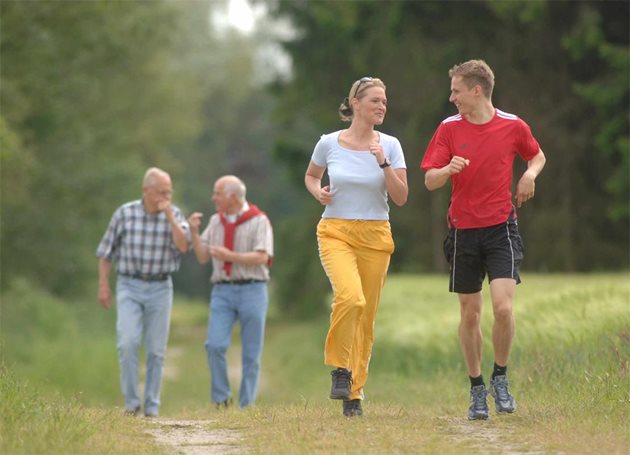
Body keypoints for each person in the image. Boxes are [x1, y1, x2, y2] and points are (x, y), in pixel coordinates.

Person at [421, 59, 546, 420]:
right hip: (462, 231)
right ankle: (477, 388)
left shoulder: (512, 125)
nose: (452, 98)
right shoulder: (448, 129)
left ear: (477, 90)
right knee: (471, 315)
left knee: (504, 309)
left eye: (456, 91)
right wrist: (447, 170)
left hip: (501, 227)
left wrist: (529, 176)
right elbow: (430, 180)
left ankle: (500, 378)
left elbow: (536, 155)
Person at [304, 77, 408, 417]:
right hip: (336, 230)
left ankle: (354, 394)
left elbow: (402, 197)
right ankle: (340, 369)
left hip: (376, 235)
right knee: (351, 297)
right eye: (376, 100)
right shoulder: (329, 143)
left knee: (366, 316)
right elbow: (311, 176)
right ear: (356, 104)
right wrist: (318, 191)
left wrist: (383, 162)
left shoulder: (390, 145)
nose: (382, 106)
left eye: (384, 101)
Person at [97, 167, 190, 417]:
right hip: (129, 285)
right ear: (146, 190)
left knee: (156, 350)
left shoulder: (175, 213)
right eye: (161, 192)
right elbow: (106, 253)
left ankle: (151, 407)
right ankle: (131, 404)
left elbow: (183, 246)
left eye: (169, 192)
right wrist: (103, 285)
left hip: (161, 286)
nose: (166, 196)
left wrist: (170, 216)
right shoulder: (124, 214)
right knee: (127, 343)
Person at [187, 175, 273, 409]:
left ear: (232, 197)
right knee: (214, 345)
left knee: (251, 353)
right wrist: (194, 233)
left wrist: (230, 257)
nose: (213, 198)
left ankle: (247, 404)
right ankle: (221, 398)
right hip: (222, 291)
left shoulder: (259, 221)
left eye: (217, 193)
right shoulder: (216, 221)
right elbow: (203, 256)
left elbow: (263, 256)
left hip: (253, 289)